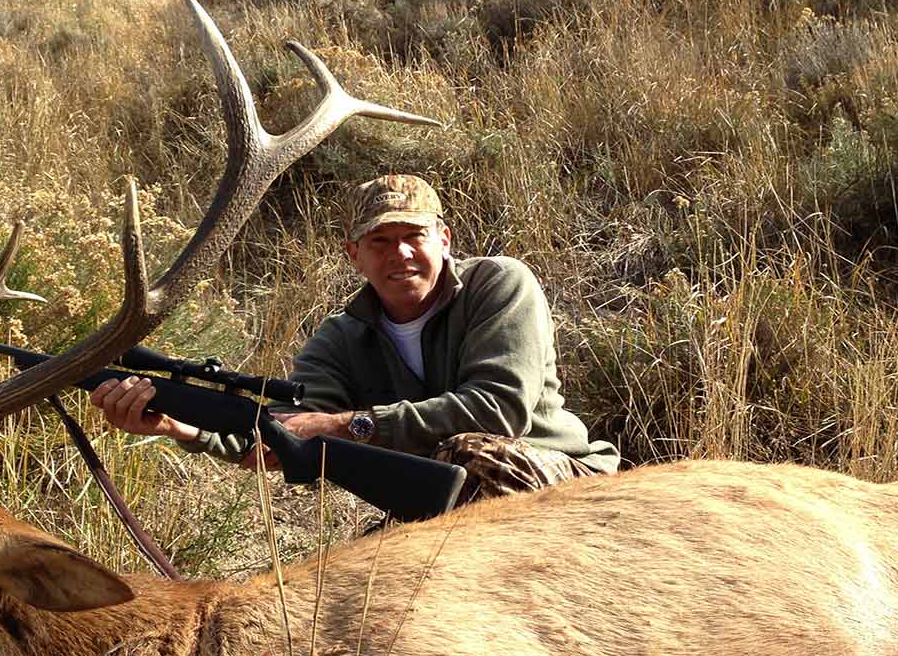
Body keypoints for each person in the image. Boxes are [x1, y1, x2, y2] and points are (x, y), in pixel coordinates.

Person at [90, 174, 619, 506]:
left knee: (469, 456)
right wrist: (177, 426)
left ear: (443, 239)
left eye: (413, 236)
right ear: (354, 255)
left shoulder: (499, 284)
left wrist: (348, 425)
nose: (400, 254)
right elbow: (283, 434)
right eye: (380, 241)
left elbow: (498, 411)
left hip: (561, 477)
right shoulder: (340, 338)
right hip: (452, 498)